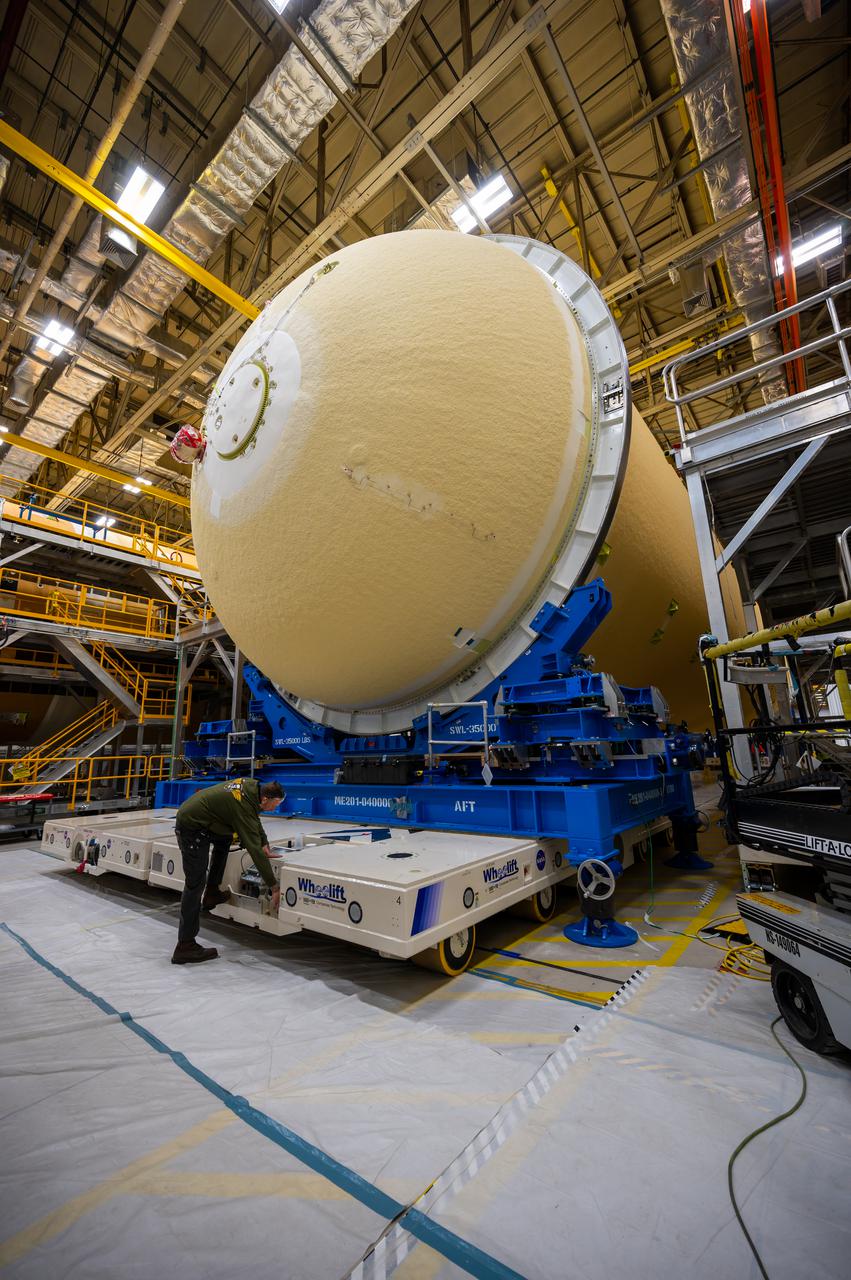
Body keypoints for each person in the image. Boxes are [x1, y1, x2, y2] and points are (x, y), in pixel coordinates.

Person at [171, 778, 285, 964]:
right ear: (265, 799)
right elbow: (253, 849)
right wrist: (274, 886)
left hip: (205, 822)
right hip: (191, 826)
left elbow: (253, 818)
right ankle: (185, 946)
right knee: (194, 883)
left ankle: (212, 892)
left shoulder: (251, 790)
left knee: (224, 838)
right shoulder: (242, 803)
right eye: (276, 804)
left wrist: (264, 841)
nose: (276, 807)